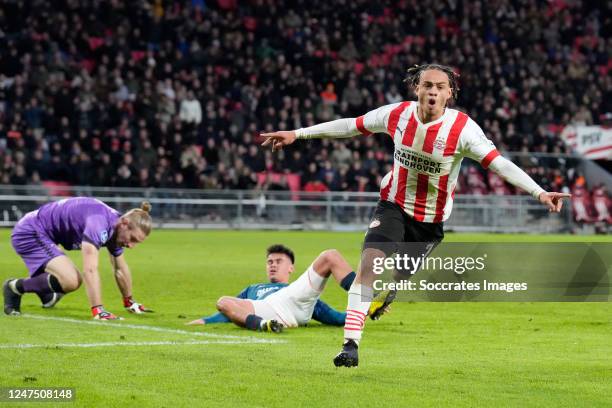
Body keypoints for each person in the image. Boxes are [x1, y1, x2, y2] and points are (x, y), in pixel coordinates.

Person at [261, 64, 571, 367]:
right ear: (417, 88)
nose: (432, 91)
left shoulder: (463, 129)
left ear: (450, 93)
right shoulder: (397, 114)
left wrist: (539, 192)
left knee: (401, 275)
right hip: (393, 205)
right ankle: (350, 344)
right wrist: (298, 134)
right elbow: (350, 126)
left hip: (430, 223)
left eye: (440, 87)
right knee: (370, 264)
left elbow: (499, 163)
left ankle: (391, 292)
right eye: (427, 85)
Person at [3, 197, 154, 320]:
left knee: (67, 277)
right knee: (71, 279)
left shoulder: (115, 227)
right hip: (31, 231)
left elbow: (120, 268)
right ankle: (14, 287)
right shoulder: (100, 222)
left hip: (46, 234)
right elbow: (90, 269)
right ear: (124, 224)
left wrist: (129, 302)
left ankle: (46, 294)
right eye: (132, 239)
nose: (131, 245)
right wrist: (98, 310)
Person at [187, 245, 358, 332]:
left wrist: (361, 313)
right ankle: (265, 325)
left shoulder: (295, 289)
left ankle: (365, 299)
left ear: (291, 268)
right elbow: (230, 312)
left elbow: (333, 317)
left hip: (291, 302)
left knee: (330, 256)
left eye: (278, 261)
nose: (273, 265)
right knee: (223, 301)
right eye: (270, 262)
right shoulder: (252, 289)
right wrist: (205, 321)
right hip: (266, 312)